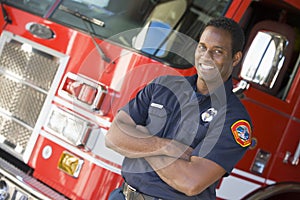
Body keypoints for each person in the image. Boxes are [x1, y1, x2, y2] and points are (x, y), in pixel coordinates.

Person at [105, 16, 252, 200]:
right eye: (202, 47)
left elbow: (190, 183)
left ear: (235, 58)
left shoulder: (233, 119)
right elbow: (113, 137)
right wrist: (163, 146)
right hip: (123, 195)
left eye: (218, 51)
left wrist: (142, 138)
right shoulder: (162, 86)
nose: (206, 57)